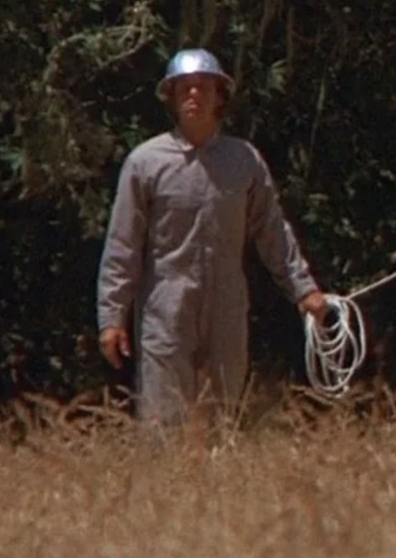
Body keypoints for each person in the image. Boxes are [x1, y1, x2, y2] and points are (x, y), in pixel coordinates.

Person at [96, 48, 331, 429]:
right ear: (171, 97)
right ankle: (167, 488)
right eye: (184, 88)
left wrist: (303, 289)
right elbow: (123, 245)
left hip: (227, 302)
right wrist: (111, 317)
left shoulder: (244, 160)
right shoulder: (146, 162)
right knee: (163, 419)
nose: (194, 95)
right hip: (166, 306)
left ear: (220, 95)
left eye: (203, 87)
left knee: (225, 416)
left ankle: (220, 487)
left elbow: (271, 229)